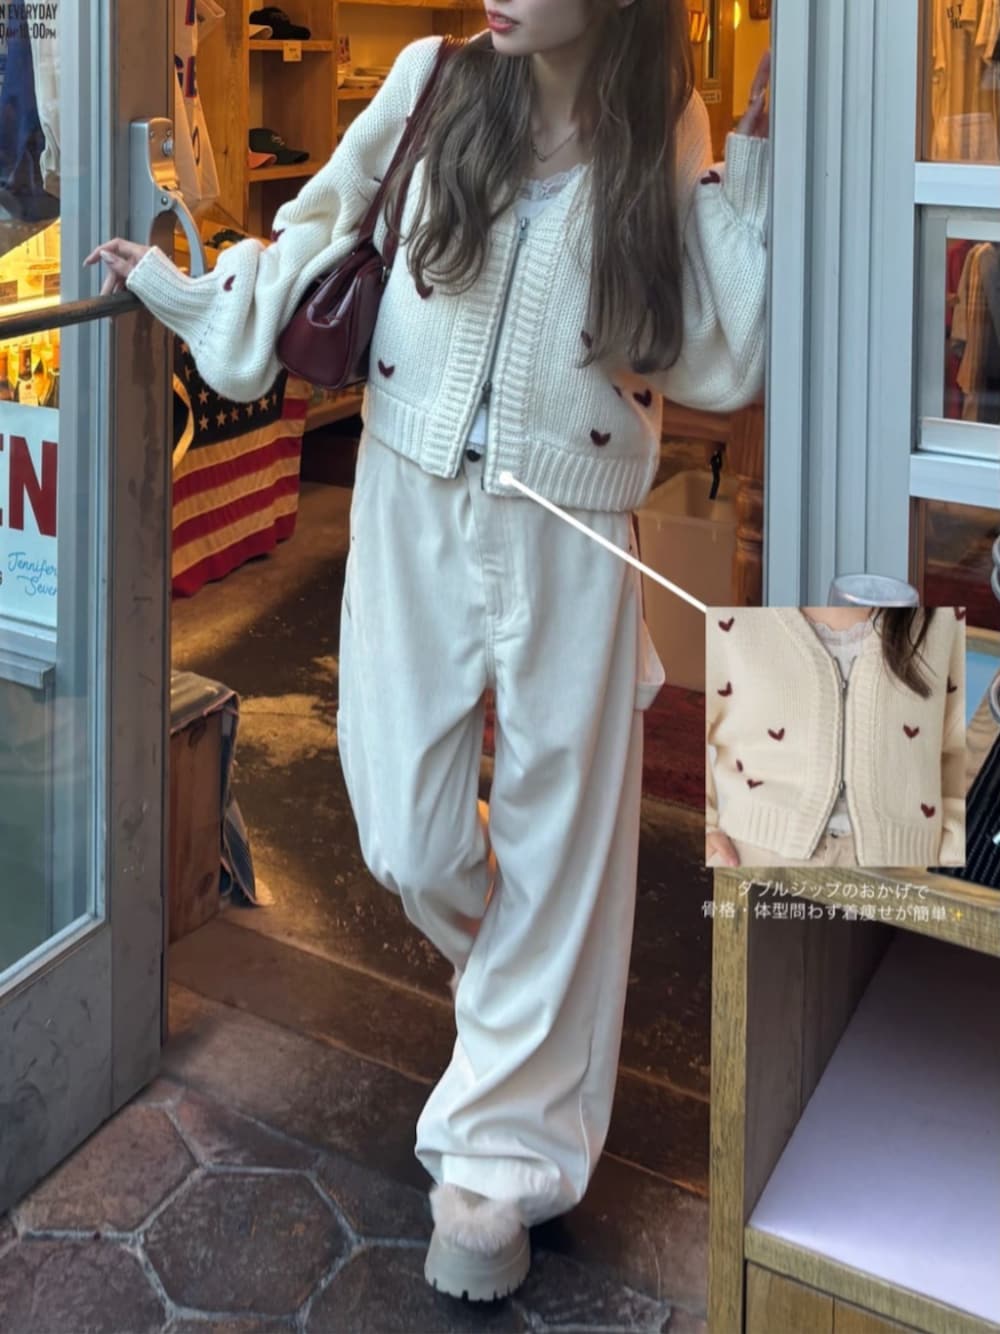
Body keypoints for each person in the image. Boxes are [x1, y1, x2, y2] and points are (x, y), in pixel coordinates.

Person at [87, 0, 770, 1302]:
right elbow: (321, 228)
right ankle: (524, 1010)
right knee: (405, 830)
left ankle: (501, 1161)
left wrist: (765, 148)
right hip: (409, 492)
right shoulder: (432, 81)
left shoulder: (660, 123)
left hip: (574, 519)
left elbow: (727, 352)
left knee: (564, 842)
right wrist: (185, 290)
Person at [705, 606, 967, 869]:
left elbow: (959, 751)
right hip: (754, 857)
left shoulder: (943, 620)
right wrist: (703, 829)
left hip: (905, 867)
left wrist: (954, 855)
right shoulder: (732, 617)